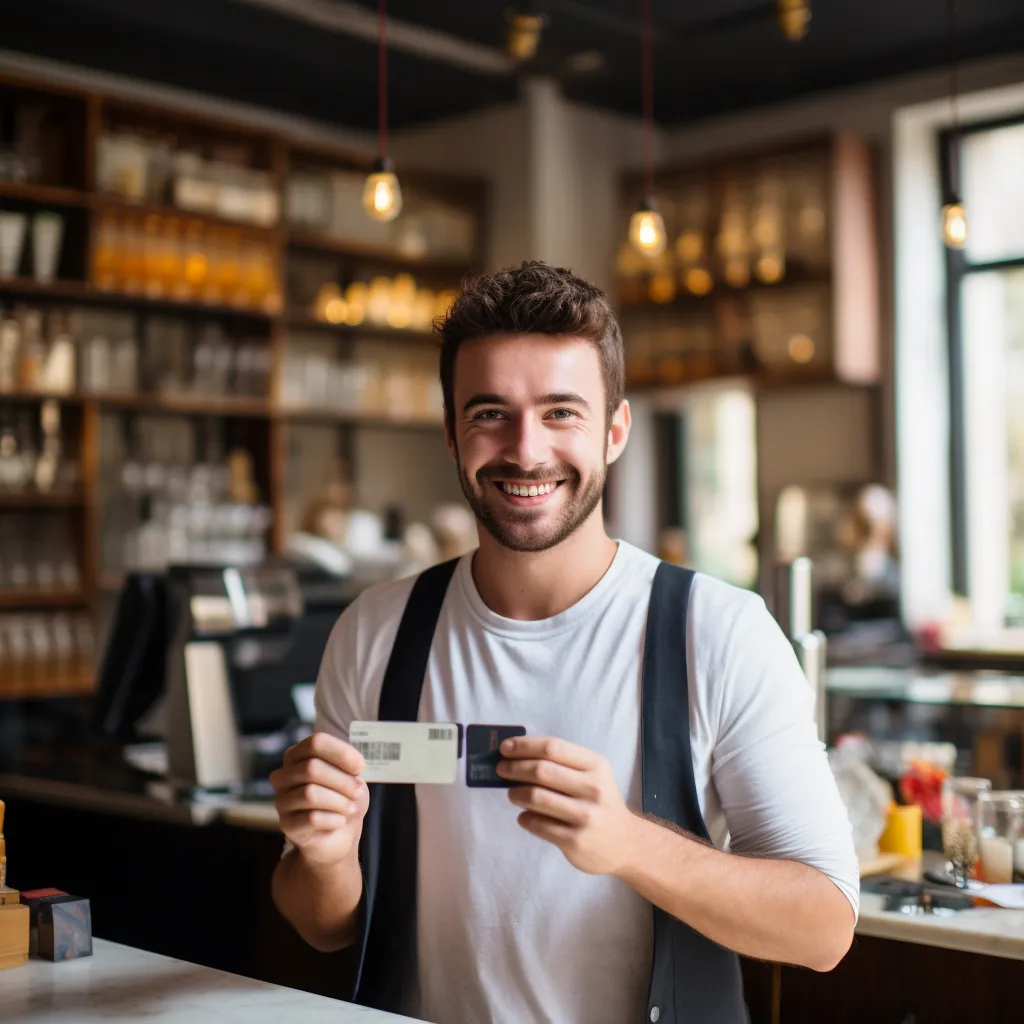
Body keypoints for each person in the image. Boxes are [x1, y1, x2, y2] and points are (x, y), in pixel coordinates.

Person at [270, 261, 858, 1024]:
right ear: (451, 431)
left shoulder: (720, 634)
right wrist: (323, 852)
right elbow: (323, 925)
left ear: (614, 431)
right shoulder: (374, 632)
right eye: (489, 413)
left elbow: (824, 927)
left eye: (560, 413)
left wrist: (628, 845)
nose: (525, 450)